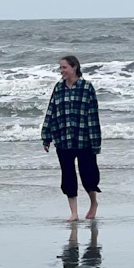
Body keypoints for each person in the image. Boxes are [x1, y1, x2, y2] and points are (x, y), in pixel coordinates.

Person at [41, 55, 102, 221]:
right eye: (60, 68)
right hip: (62, 139)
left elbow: (93, 116)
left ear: (74, 67)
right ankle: (74, 213)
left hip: (84, 140)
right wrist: (46, 137)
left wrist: (95, 143)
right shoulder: (58, 88)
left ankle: (93, 203)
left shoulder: (87, 87)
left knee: (88, 176)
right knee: (68, 176)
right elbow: (50, 111)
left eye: (64, 67)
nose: (62, 71)